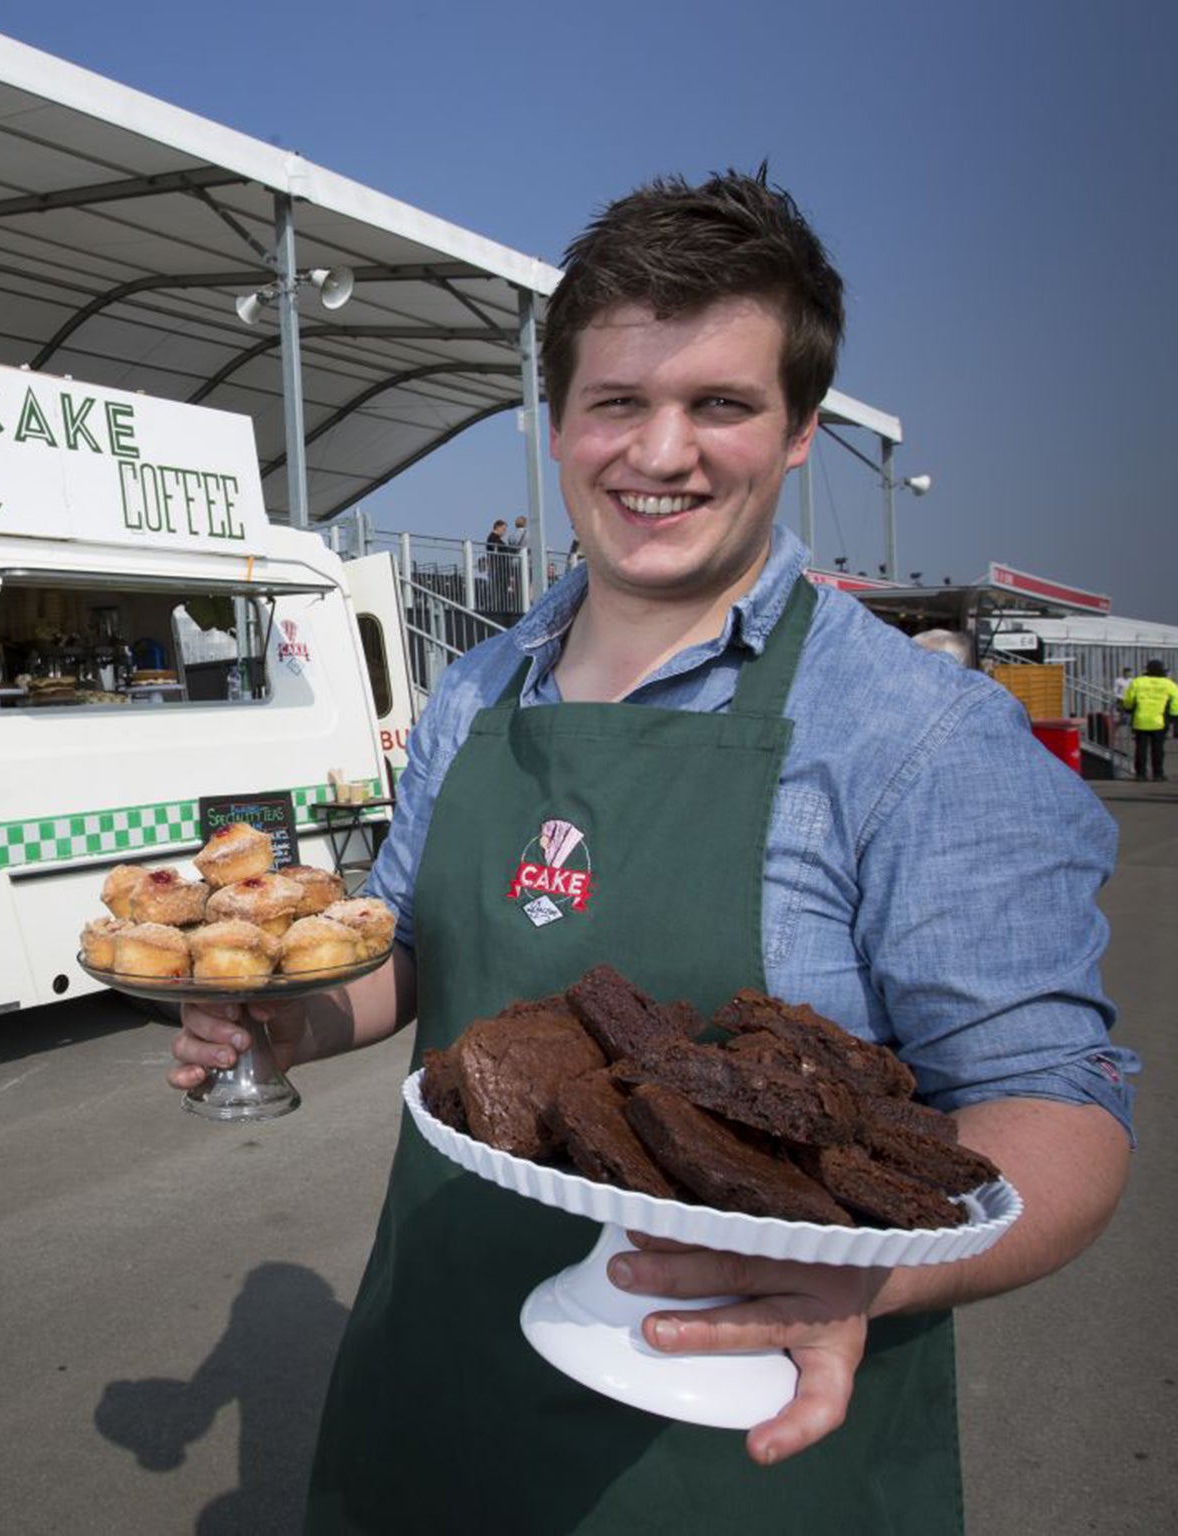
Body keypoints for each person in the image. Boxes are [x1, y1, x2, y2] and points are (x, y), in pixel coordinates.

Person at [170, 169, 1136, 1533]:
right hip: (436, 1403)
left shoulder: (916, 733)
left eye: (721, 406)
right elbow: (412, 946)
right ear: (557, 422)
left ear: (800, 428)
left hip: (745, 1447)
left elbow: (1058, 1103)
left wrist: (870, 1279)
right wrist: (287, 1020)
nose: (661, 453)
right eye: (618, 402)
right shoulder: (477, 691)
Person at [1121, 659, 1178, 781]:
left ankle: (1141, 774)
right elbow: (1176, 700)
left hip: (1140, 720)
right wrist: (1173, 715)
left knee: (1140, 748)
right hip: (1160, 720)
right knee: (1158, 749)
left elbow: (1129, 699)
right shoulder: (1168, 683)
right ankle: (1158, 774)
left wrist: (1128, 708)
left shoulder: (1138, 682)